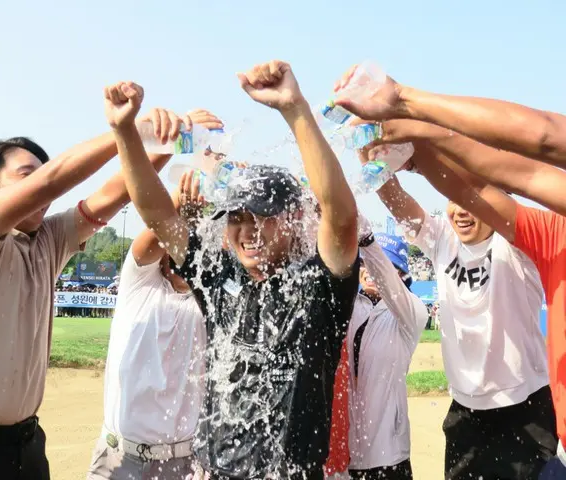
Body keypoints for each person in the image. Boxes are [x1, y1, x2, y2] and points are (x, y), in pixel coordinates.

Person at [0, 82, 214, 479]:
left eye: (40, 174)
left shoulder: (46, 240)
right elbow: (54, 181)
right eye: (26, 176)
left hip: (26, 445)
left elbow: (115, 193)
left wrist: (174, 141)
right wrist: (131, 126)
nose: (41, 190)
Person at [106, 61, 360, 479]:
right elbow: (154, 212)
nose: (247, 231)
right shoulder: (216, 278)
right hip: (212, 470)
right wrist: (124, 132)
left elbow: (341, 215)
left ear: (294, 217)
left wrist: (294, 108)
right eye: (236, 218)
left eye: (263, 216)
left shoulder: (319, 286)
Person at [334, 66, 566, 478]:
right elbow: (395, 197)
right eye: (453, 201)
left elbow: (538, 150)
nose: (460, 210)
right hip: (465, 410)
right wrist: (367, 149)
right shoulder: (440, 237)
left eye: (470, 199)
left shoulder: (521, 245)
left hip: (523, 407)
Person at [87, 112, 224, 480]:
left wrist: (221, 180)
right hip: (119, 460)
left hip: (185, 462)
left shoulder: (210, 299)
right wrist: (189, 174)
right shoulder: (140, 280)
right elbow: (156, 226)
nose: (180, 249)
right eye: (175, 241)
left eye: (191, 241)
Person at [326, 217, 428, 480]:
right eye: (364, 263)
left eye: (387, 264)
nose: (369, 268)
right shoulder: (349, 306)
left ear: (402, 274)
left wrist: (369, 243)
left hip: (388, 455)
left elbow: (390, 287)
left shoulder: (411, 312)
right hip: (344, 452)